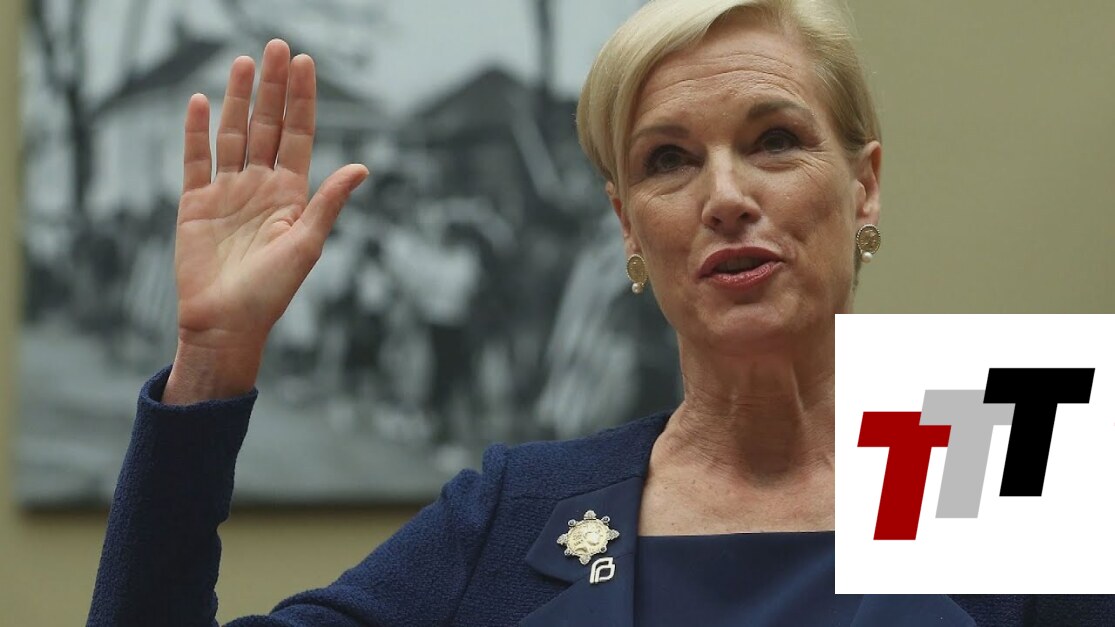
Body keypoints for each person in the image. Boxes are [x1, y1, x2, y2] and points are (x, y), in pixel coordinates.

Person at [87, 1, 1113, 625]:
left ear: (864, 186)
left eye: (774, 139)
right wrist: (211, 356)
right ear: (627, 225)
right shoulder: (517, 507)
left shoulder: (997, 435)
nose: (725, 196)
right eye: (668, 159)